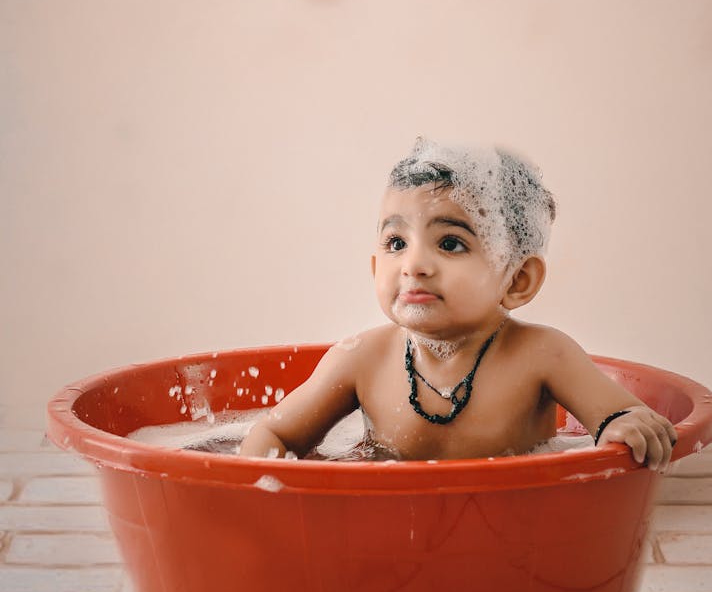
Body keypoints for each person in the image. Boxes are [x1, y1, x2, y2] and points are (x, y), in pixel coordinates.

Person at [239, 138, 677, 468]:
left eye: (450, 243)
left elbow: (627, 417)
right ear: (375, 268)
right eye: (396, 242)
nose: (414, 264)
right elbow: (277, 431)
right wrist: (261, 487)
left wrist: (621, 426)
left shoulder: (543, 355)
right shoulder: (360, 360)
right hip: (388, 535)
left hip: (509, 533)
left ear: (517, 280)